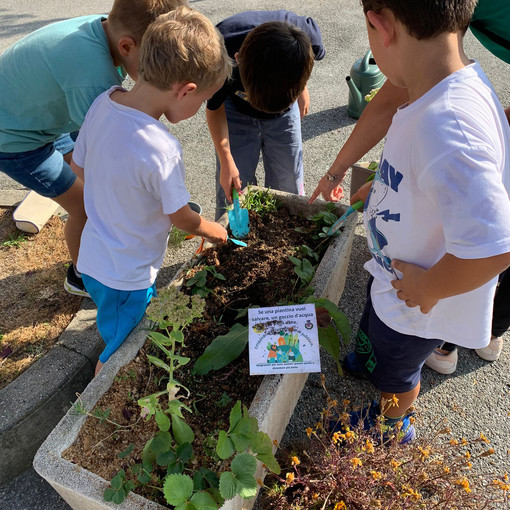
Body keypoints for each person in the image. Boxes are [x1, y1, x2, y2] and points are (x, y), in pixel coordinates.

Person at [312, 0, 510, 442]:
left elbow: (497, 244)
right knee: (376, 329)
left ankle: (392, 425)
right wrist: (382, 188)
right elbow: (419, 171)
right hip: (394, 274)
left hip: (418, 303)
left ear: (379, 26)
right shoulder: (433, 85)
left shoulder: (450, 125)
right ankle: (368, 359)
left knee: (398, 370)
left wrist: (428, 288)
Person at [70, 6, 231, 375]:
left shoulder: (104, 102)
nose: (200, 107)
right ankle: (100, 399)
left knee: (121, 323)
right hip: (125, 273)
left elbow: (79, 166)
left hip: (96, 256)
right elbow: (182, 218)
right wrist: (213, 229)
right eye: (202, 100)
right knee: (120, 349)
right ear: (186, 90)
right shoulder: (162, 149)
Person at [0, 0, 188, 297]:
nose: (164, 72)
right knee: (86, 206)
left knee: (94, 187)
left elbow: (94, 144)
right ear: (127, 47)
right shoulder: (94, 77)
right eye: (158, 61)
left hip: (40, 117)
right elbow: (112, 149)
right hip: (15, 140)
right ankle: (80, 276)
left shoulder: (107, 28)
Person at [205, 10, 325, 219]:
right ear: (238, 60)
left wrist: (301, 85)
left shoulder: (308, 39)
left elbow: (307, 58)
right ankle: (234, 234)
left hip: (284, 115)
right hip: (234, 113)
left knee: (288, 185)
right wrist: (226, 160)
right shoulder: (219, 55)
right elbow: (214, 108)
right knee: (233, 188)